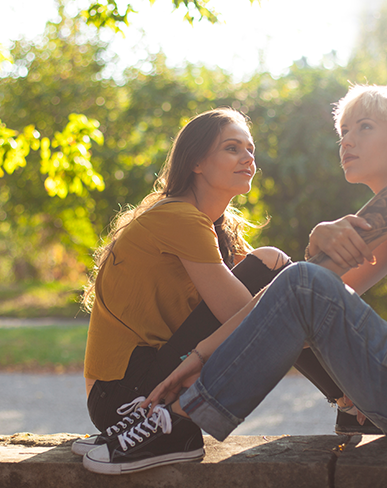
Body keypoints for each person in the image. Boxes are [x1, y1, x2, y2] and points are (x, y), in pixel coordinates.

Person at [82, 84, 387, 475]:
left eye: (364, 127)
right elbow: (294, 304)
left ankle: (175, 425)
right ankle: (341, 409)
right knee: (300, 281)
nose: (347, 141)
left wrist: (202, 357)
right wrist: (199, 357)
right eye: (344, 132)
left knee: (301, 280)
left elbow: (302, 287)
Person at [71, 107, 291, 456]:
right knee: (274, 267)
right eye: (232, 148)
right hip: (128, 399)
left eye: (250, 149)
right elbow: (252, 320)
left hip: (135, 389)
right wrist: (309, 313)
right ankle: (347, 401)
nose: (248, 158)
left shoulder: (212, 226)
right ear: (196, 162)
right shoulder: (180, 217)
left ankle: (345, 402)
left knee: (282, 279)